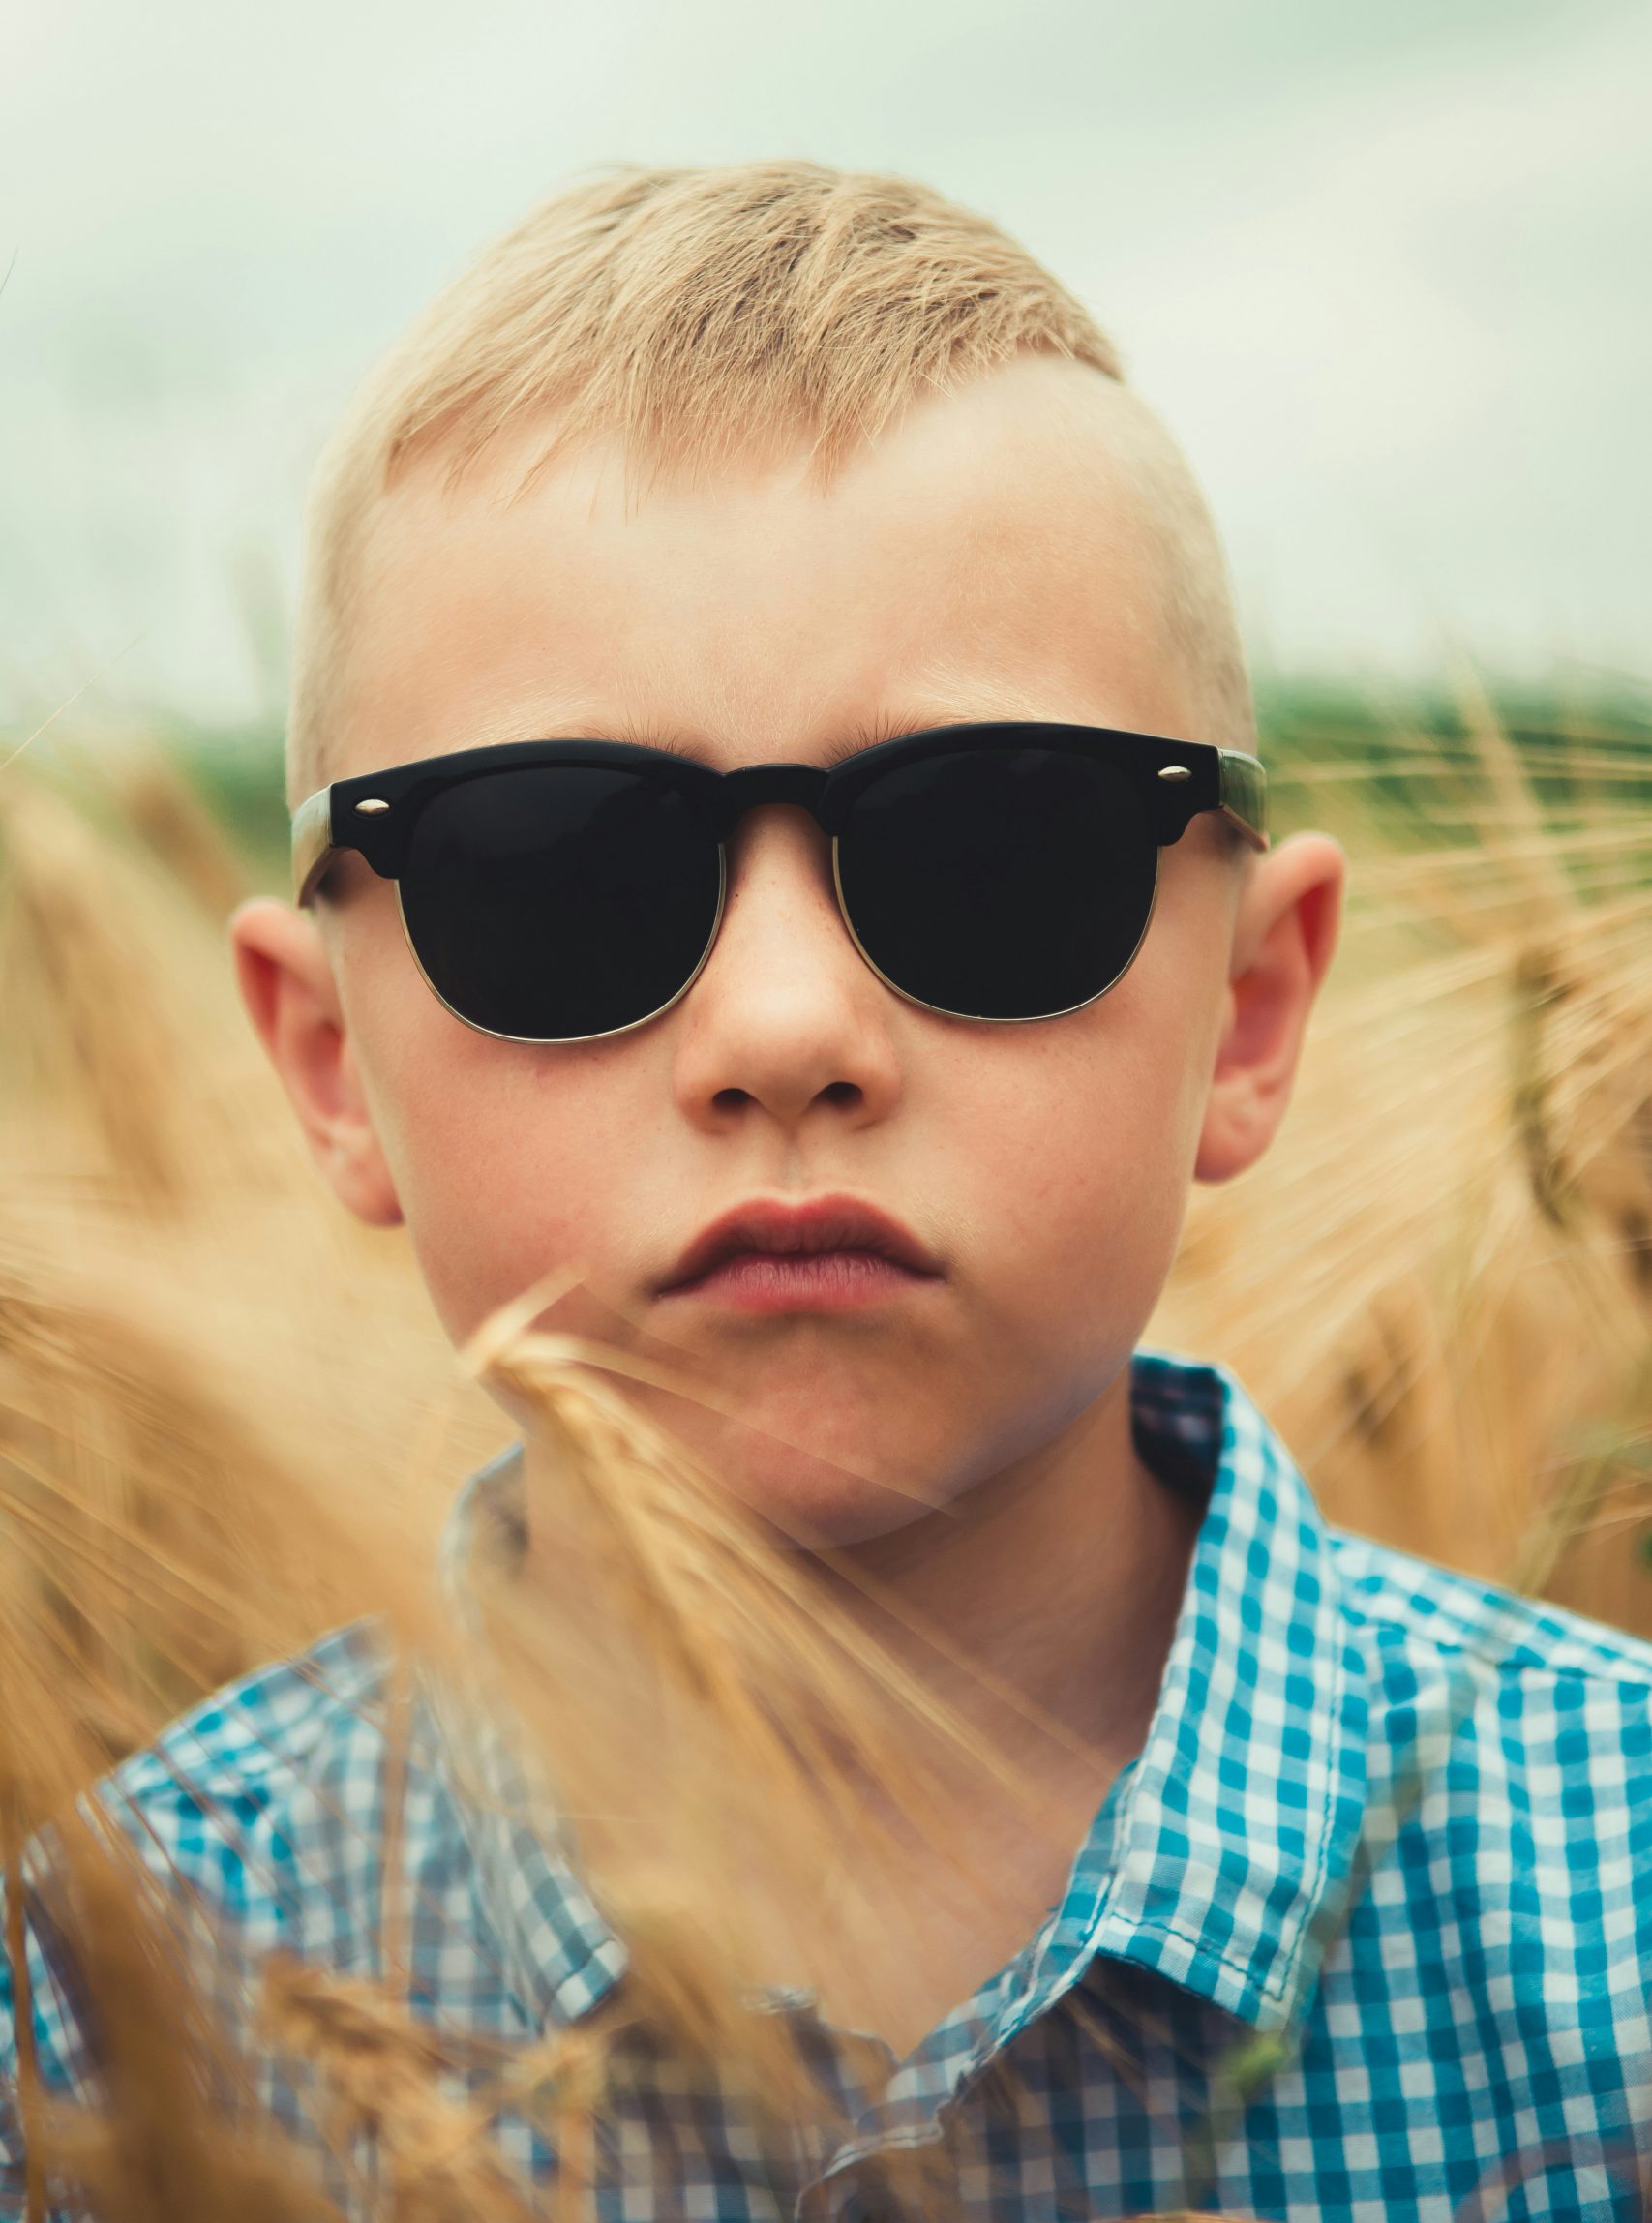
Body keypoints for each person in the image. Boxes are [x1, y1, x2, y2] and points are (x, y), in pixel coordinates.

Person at [4, 161, 1650, 2220]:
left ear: (1245, 1010)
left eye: (995, 845)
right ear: (329, 1062)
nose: (783, 1025)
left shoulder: (1616, 1901)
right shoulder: (100, 2003)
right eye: (556, 870)